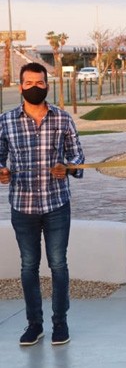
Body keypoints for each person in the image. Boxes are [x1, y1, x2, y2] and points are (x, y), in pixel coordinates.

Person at [0, 62, 85, 346]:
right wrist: (1, 171)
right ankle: (33, 324)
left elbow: (78, 158)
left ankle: (60, 323)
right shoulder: (6, 121)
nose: (35, 88)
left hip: (56, 204)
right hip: (22, 206)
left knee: (59, 265)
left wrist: (68, 168)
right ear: (20, 85)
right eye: (29, 83)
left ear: (47, 85)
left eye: (40, 83)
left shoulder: (62, 120)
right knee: (28, 266)